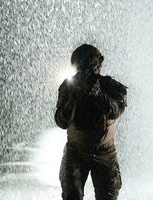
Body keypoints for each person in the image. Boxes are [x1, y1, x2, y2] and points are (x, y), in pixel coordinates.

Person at [54, 44, 127, 200]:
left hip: (105, 153)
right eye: (83, 69)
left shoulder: (109, 86)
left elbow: (117, 111)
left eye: (92, 67)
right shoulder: (69, 87)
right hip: (76, 152)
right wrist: (72, 100)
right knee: (72, 195)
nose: (87, 74)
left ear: (98, 66)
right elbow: (61, 122)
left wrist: (99, 96)